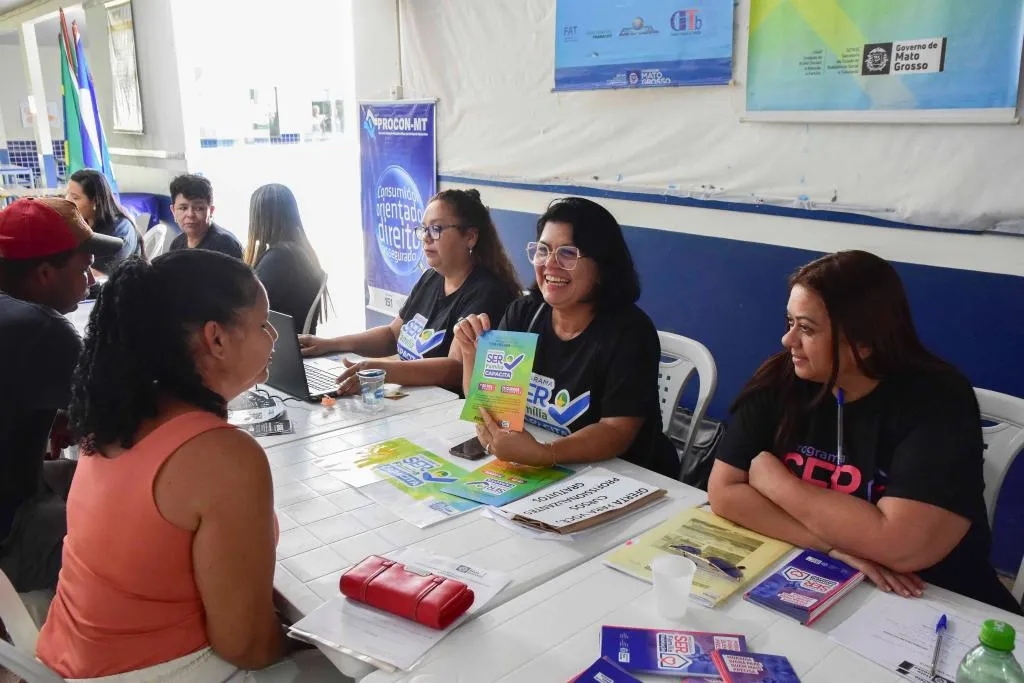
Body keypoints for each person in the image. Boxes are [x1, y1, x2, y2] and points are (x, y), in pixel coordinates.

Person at [36, 250, 338, 680]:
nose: (274, 337)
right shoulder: (222, 457)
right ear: (216, 339)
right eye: (263, 324)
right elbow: (248, 646)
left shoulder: (118, 412)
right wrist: (317, 634)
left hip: (72, 658)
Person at [708, 250, 1021, 614]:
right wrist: (830, 548)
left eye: (806, 329)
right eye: (789, 322)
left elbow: (898, 546)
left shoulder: (937, 399)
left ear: (863, 341)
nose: (787, 340)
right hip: (825, 572)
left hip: (934, 599)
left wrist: (772, 480)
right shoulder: (780, 379)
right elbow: (725, 493)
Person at [453, 197, 678, 478]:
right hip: (546, 467)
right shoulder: (525, 313)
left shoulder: (630, 332)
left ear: (602, 266)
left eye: (568, 253)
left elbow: (616, 430)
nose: (550, 264)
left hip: (620, 477)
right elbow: (491, 409)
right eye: (543, 250)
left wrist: (546, 453)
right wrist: (471, 353)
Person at [0, 198, 122, 593]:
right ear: (45, 272)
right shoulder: (38, 330)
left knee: (80, 476)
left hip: (17, 486)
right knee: (138, 539)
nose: (91, 280)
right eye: (85, 267)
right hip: (10, 536)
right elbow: (127, 413)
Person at [300, 188, 520, 393]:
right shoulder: (431, 277)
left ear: (470, 237)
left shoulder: (488, 293)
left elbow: (456, 368)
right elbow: (392, 335)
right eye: (424, 229)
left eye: (436, 229)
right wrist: (329, 344)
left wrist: (382, 370)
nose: (425, 237)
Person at [244, 183, 325, 334]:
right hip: (290, 340)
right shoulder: (299, 252)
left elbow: (249, 307)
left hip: (279, 343)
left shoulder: (278, 259)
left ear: (260, 218)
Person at [66, 168, 143, 276]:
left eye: (75, 197)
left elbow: (101, 276)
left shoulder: (120, 230)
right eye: (67, 194)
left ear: (96, 200)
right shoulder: (84, 222)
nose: (67, 201)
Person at [168, 174, 243, 258]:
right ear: (173, 211)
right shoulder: (176, 245)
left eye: (199, 208)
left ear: (211, 211)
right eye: (183, 208)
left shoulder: (225, 245)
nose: (190, 214)